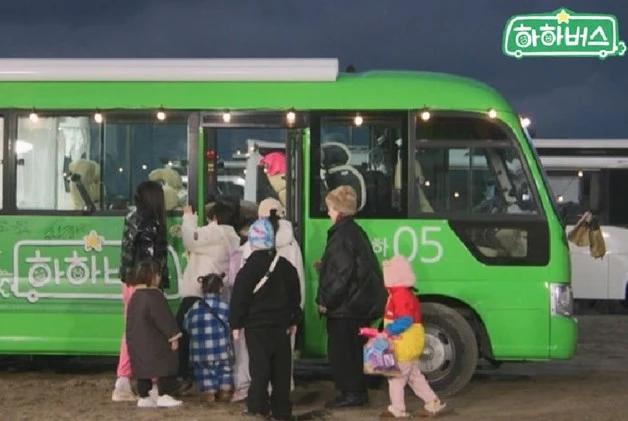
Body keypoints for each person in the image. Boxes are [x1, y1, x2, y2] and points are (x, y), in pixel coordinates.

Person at [316, 185, 387, 409]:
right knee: (354, 350)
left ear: (339, 210)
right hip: (356, 304)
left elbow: (341, 275)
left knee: (343, 352)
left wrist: (325, 301)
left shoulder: (340, 236)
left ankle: (352, 393)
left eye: (330, 207)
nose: (328, 212)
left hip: (345, 307)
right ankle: (356, 390)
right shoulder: (354, 231)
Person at [231, 198, 305, 403]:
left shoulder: (250, 248)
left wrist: (236, 322)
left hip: (256, 323)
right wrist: (295, 316)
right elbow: (298, 286)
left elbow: (241, 293)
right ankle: (282, 404)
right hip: (282, 321)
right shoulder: (291, 245)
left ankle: (257, 402)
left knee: (258, 364)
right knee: (282, 364)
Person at [112, 180, 179, 402]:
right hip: (144, 285)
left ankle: (125, 381)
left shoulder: (131, 217)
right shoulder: (152, 224)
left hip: (129, 283)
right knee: (151, 333)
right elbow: (151, 259)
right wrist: (155, 282)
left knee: (132, 332)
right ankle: (149, 383)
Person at [176, 201, 240, 384]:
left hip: (198, 293)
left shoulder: (216, 233)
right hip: (217, 294)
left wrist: (188, 217)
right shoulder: (231, 236)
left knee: (180, 331)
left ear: (215, 218)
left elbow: (190, 239)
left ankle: (181, 376)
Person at [379, 255, 447, 418]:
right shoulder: (405, 293)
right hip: (411, 344)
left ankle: (398, 409)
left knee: (396, 378)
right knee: (414, 376)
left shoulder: (399, 295)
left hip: (403, 344)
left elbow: (405, 320)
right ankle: (432, 403)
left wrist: (388, 331)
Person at [125, 260, 183, 408]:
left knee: (142, 369)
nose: (159, 277)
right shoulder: (154, 296)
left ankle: (144, 396)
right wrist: (173, 336)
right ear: (151, 277)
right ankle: (164, 394)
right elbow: (164, 319)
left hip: (137, 342)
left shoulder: (135, 296)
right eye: (157, 274)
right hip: (156, 342)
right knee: (166, 365)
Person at [183, 273, 235, 404]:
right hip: (222, 351)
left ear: (202, 289)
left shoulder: (194, 307)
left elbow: (186, 326)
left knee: (204, 372)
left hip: (200, 353)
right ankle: (225, 391)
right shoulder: (225, 306)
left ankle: (209, 393)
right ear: (221, 289)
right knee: (225, 370)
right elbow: (232, 325)